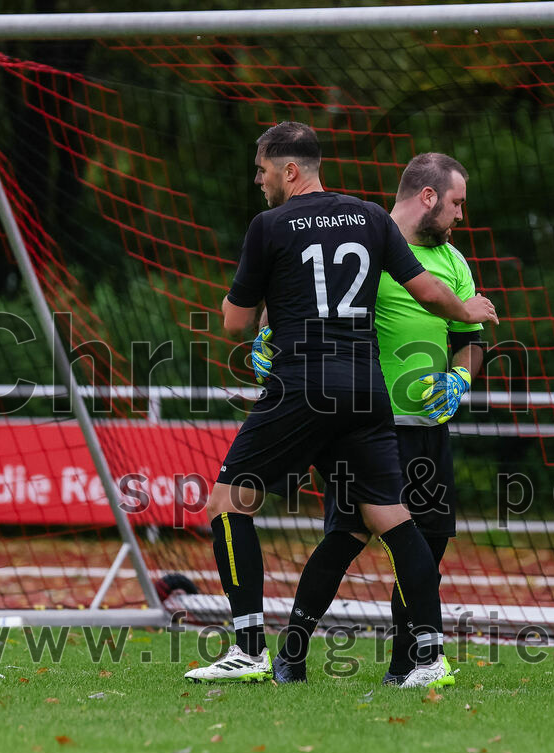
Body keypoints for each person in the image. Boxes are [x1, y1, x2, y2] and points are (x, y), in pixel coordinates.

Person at [183, 123, 498, 687]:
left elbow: (234, 321)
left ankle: (251, 648)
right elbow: (426, 290)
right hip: (368, 391)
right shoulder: (371, 218)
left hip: (303, 384)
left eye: (261, 170)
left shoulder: (269, 225)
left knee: (228, 502)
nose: (257, 181)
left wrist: (259, 332)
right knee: (398, 523)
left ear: (289, 170)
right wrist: (468, 314)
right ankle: (429, 658)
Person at [259, 153, 486, 687]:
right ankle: (291, 654)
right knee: (346, 540)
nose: (461, 216)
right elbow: (295, 297)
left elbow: (472, 343)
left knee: (427, 545)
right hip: (367, 427)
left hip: (428, 430)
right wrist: (269, 337)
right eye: (456, 203)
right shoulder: (363, 243)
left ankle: (406, 666)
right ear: (427, 197)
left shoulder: (454, 260)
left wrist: (461, 381)